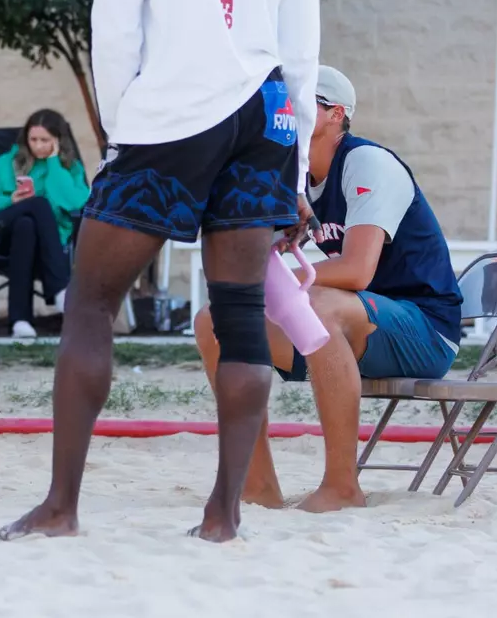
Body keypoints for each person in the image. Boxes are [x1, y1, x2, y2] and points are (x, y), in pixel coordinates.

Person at [1, 0, 320, 544]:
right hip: (263, 119)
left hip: (170, 116)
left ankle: (62, 507)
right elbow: (302, 49)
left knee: (91, 305)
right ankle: (223, 514)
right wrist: (297, 169)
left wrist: (118, 131)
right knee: (243, 316)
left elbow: (114, 24)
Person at [191, 65, 463, 511]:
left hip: (425, 329)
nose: (289, 111)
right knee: (215, 320)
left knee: (315, 303)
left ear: (336, 114)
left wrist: (277, 283)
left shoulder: (367, 162)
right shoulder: (295, 179)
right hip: (353, 322)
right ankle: (258, 484)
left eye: (304, 103)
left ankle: (342, 487)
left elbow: (356, 271)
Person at [0, 110, 87, 337]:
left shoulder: (69, 168)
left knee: (26, 226)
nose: (37, 145)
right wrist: (10, 200)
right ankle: (58, 288)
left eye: (45, 140)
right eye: (33, 139)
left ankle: (20, 322)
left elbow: (76, 202)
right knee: (36, 205)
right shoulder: (5, 163)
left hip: (45, 241)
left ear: (58, 140)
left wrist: (54, 163)